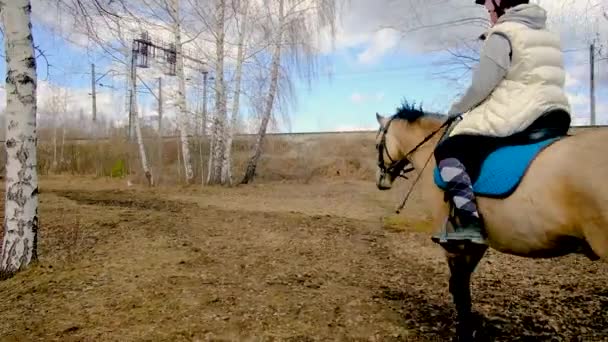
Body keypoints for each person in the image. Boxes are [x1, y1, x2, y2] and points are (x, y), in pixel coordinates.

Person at [432, 0, 572, 246]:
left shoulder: (503, 34)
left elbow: (482, 86)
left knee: (449, 150)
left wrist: (456, 110)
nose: (488, 15)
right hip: (556, 113)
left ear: (500, 4)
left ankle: (469, 222)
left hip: (521, 114)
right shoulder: (547, 35)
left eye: (487, 9)